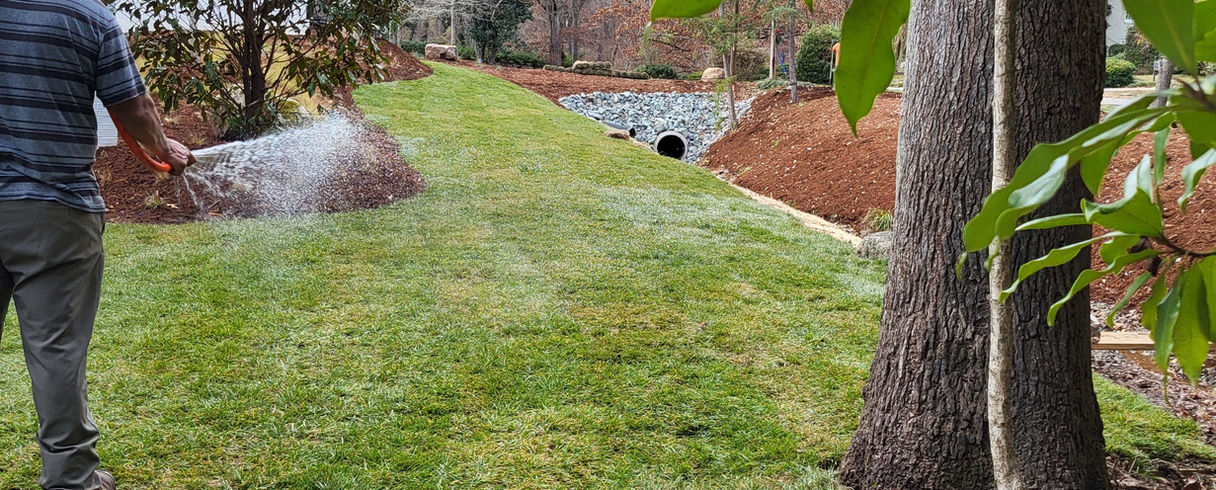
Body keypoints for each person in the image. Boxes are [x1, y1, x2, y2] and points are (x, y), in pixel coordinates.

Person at [0, 1, 195, 488]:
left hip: (46, 206)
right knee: (56, 349)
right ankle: (70, 479)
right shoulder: (86, 15)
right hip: (53, 207)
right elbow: (133, 107)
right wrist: (162, 147)